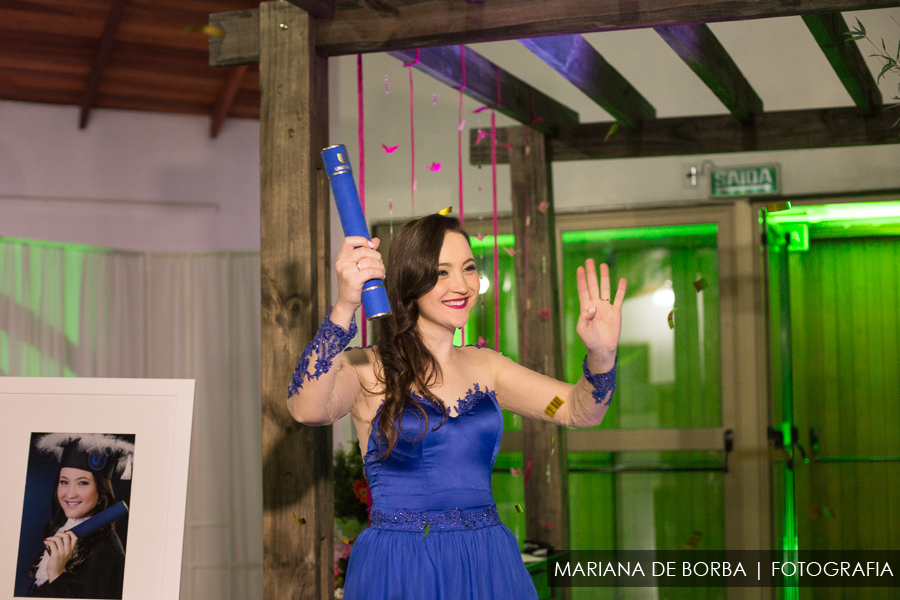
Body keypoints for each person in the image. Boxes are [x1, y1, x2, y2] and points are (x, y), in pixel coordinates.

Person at [288, 214, 626, 600]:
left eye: (468, 269)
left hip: (487, 561)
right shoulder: (367, 368)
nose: (462, 285)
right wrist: (345, 305)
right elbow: (307, 409)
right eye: (442, 273)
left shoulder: (489, 367)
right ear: (410, 281)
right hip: (401, 565)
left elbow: (576, 409)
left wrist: (602, 354)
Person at [25, 433, 133, 599]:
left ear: (101, 492)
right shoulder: (63, 531)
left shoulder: (108, 551)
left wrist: (57, 574)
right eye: (64, 482)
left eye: (82, 483)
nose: (70, 493)